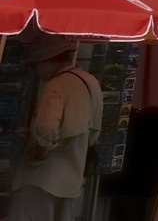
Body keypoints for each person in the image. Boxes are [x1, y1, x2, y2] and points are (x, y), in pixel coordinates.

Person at [9, 43, 103, 221]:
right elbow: (94, 130)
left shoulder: (55, 85)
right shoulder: (91, 81)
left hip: (41, 178)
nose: (34, 70)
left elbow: (47, 129)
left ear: (49, 60)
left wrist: (39, 148)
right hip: (71, 177)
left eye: (35, 64)